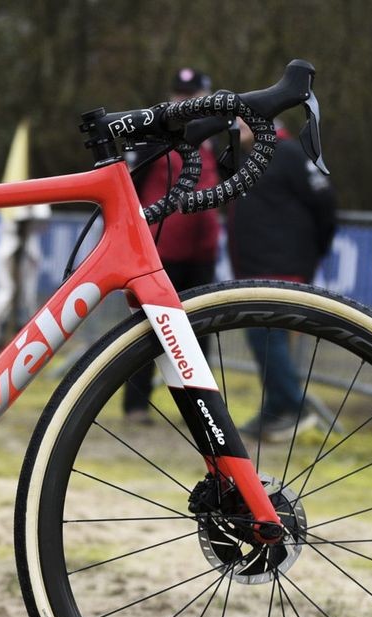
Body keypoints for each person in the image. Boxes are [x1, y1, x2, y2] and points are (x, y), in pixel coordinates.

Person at [229, 117, 337, 442]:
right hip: (256, 266)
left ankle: (293, 406)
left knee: (267, 335)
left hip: (281, 264)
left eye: (242, 120)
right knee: (262, 337)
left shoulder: (288, 153)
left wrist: (313, 251)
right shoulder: (250, 158)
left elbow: (326, 204)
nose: (234, 126)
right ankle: (276, 408)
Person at [123, 67, 221, 424]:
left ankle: (202, 412)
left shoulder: (212, 137)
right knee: (149, 330)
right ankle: (135, 405)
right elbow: (131, 186)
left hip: (203, 251)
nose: (185, 100)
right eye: (180, 93)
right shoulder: (154, 136)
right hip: (161, 249)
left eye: (192, 94)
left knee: (201, 330)